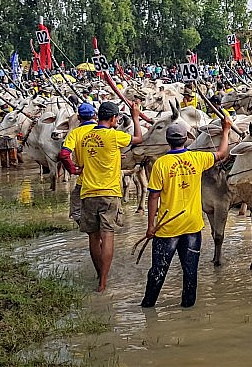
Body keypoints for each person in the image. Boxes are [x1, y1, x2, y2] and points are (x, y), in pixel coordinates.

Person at [140, 117, 231, 308]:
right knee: (190, 271)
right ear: (186, 139)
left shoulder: (161, 164)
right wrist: (226, 131)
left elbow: (153, 197)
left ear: (167, 140)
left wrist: (150, 226)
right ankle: (188, 309)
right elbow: (222, 153)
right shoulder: (197, 158)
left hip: (167, 228)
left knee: (158, 271)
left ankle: (148, 308)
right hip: (192, 226)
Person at [75, 100, 143, 292]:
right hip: (110, 193)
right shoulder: (114, 136)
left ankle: (99, 274)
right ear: (113, 118)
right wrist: (136, 116)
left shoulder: (85, 137)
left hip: (88, 192)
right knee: (108, 235)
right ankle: (103, 282)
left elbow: (81, 164)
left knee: (93, 237)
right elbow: (138, 138)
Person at [59, 102, 98, 224]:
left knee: (76, 211)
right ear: (95, 116)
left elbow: (64, 155)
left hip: (85, 181)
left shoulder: (75, 133)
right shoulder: (108, 132)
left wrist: (73, 170)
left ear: (79, 118)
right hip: (108, 184)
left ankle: (89, 230)